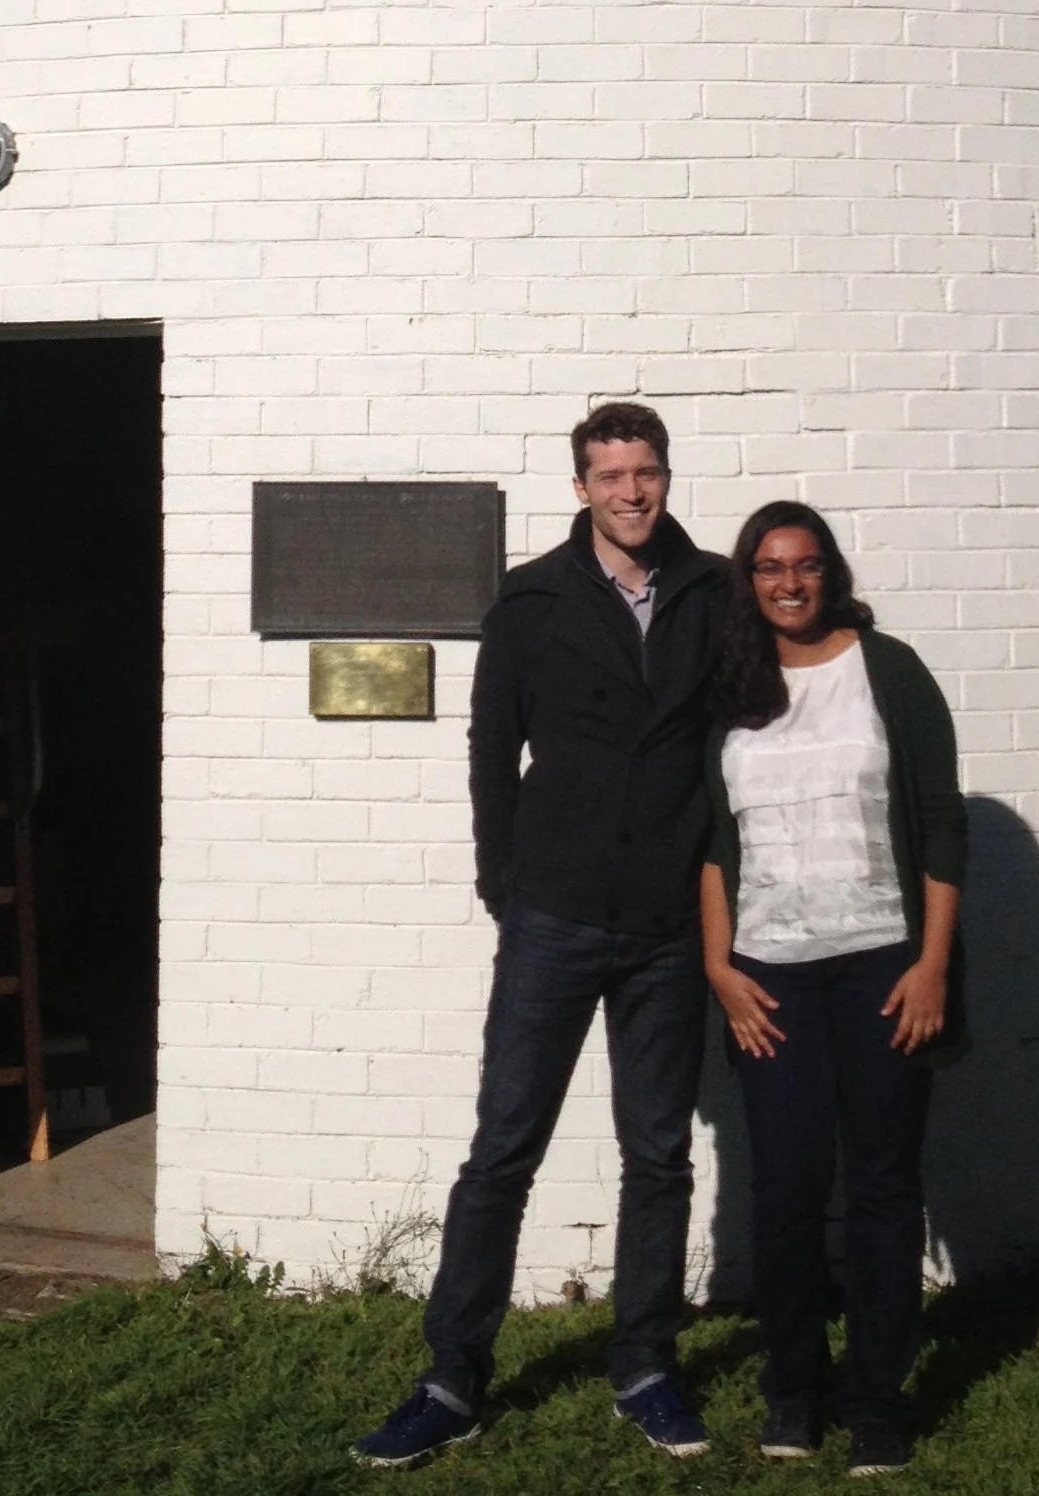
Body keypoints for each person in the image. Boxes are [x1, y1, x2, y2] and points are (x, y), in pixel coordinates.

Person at [355, 402, 728, 1467]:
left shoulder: (710, 593)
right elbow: (490, 743)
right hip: (554, 913)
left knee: (657, 1155)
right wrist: (501, 880)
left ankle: (645, 1364)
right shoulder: (531, 598)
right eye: (608, 474)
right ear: (579, 487)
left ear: (663, 475)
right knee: (502, 1151)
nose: (630, 490)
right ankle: (448, 1377)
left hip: (664, 921)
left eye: (644, 470)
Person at [701, 504, 966, 1474]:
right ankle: (793, 1391)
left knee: (884, 1190)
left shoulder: (886, 670)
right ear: (749, 578)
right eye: (769, 567)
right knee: (785, 1190)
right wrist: (719, 965)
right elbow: (713, 843)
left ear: (829, 571)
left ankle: (878, 1402)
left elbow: (940, 823)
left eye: (805, 564)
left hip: (882, 968)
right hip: (766, 974)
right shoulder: (729, 684)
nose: (788, 581)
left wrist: (931, 962)